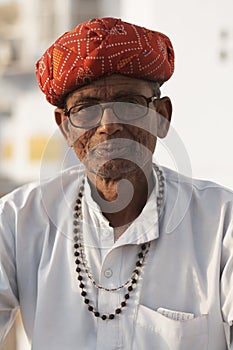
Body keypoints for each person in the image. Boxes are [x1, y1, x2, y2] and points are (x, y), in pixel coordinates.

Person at [0, 17, 232, 350]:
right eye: (86, 109)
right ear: (65, 128)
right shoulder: (17, 222)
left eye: (129, 104)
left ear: (162, 116)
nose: (109, 124)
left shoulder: (222, 224)